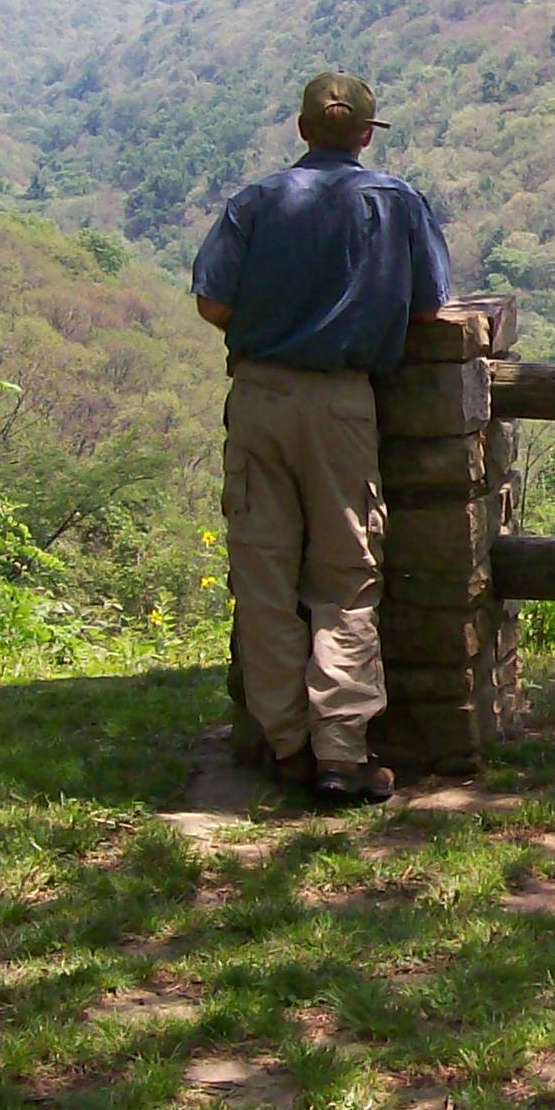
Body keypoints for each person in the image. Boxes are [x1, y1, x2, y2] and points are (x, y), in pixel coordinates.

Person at [191, 71, 453, 805]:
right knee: (345, 578)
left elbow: (213, 300)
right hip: (343, 403)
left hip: (261, 398)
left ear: (303, 130)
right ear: (366, 135)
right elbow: (432, 309)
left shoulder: (257, 201)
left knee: (265, 577)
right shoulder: (397, 202)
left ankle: (285, 747)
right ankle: (342, 752)